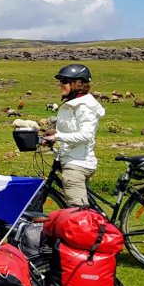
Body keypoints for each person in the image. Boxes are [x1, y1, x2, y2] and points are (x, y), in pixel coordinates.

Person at [44, 63, 106, 207]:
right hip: (71, 160)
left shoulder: (84, 106)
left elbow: (86, 135)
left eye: (65, 81)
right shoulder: (74, 104)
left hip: (77, 165)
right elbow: (72, 130)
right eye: (61, 81)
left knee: (78, 212)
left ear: (78, 84)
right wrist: (53, 134)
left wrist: (57, 137)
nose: (61, 85)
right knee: (83, 208)